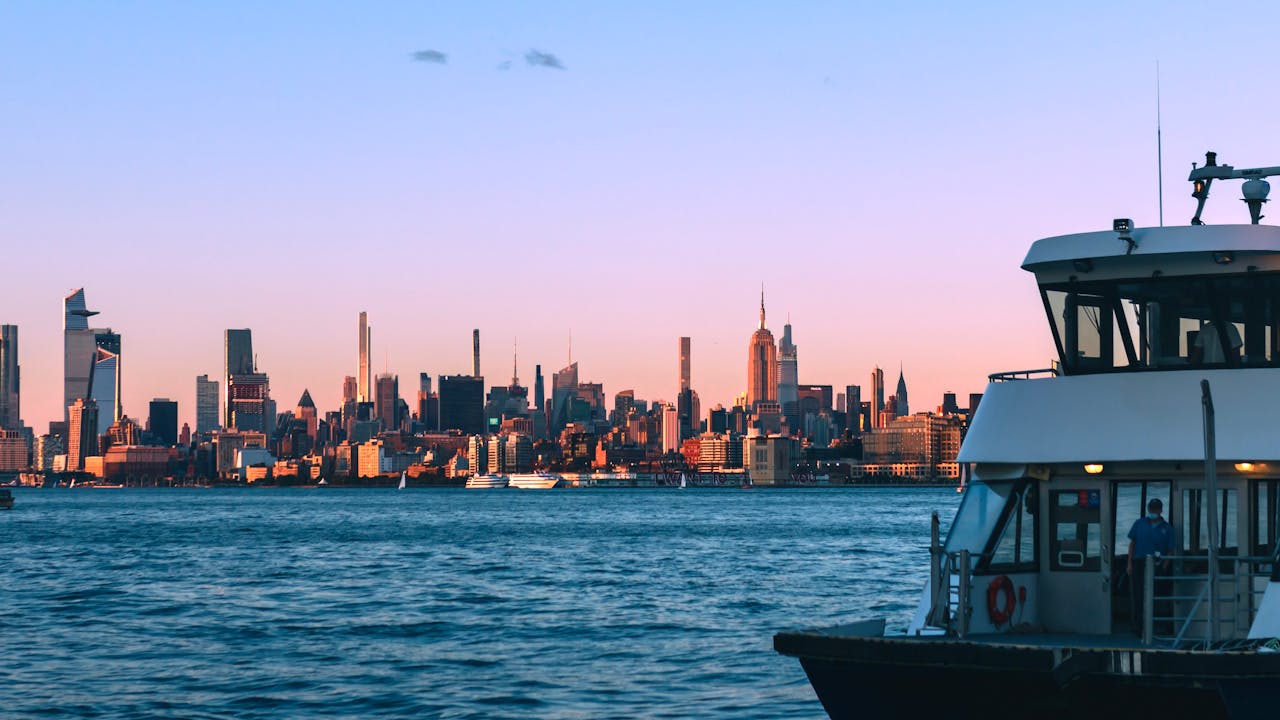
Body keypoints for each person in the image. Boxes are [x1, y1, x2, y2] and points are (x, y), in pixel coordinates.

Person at [1127, 498, 1174, 635]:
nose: (1152, 512)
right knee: (1139, 596)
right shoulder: (1139, 523)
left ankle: (1164, 626)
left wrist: (1164, 567)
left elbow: (1170, 550)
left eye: (1155, 509)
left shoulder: (1167, 528)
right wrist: (1129, 564)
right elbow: (1132, 544)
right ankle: (1138, 626)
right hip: (1139, 563)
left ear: (1160, 510)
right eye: (1151, 509)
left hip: (1158, 563)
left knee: (1160, 595)